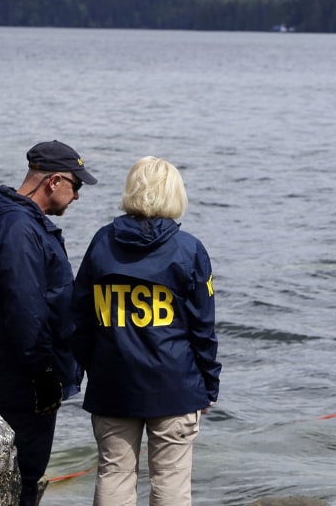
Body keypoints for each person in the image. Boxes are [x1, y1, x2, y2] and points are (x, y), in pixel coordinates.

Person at [71, 156, 220, 506]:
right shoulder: (189, 249)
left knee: (114, 473)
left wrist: (91, 368)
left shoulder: (102, 243)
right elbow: (203, 327)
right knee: (170, 479)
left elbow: (79, 317)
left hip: (113, 381)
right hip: (174, 384)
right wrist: (209, 384)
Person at [0, 140, 98, 506]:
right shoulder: (19, 229)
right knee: (25, 475)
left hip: (7, 371)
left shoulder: (6, 219)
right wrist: (43, 374)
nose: (78, 196)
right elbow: (26, 308)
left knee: (15, 472)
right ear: (54, 181)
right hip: (23, 378)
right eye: (76, 185)